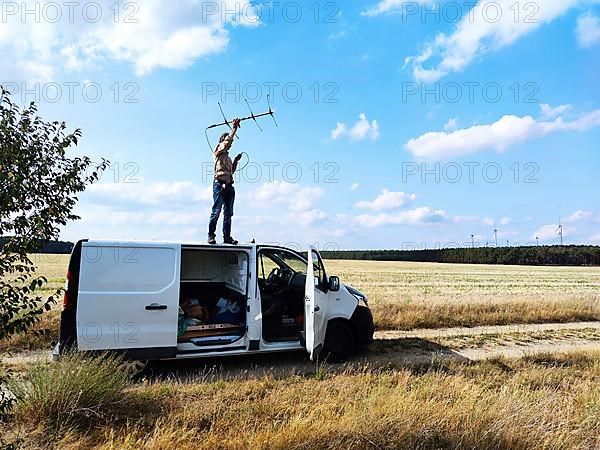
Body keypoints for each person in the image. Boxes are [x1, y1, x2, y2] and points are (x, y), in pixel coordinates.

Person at [208, 118, 243, 245]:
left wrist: (235, 161)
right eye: (227, 140)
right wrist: (233, 129)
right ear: (222, 141)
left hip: (229, 186)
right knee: (216, 211)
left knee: (228, 214)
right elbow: (227, 143)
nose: (230, 144)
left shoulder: (227, 157)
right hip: (219, 185)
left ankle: (227, 237)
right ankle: (211, 236)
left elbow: (230, 171)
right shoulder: (217, 150)